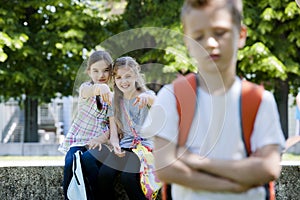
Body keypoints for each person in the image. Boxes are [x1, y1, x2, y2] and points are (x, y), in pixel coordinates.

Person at [141, 0, 286, 199]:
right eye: (199, 36)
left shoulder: (259, 100)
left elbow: (268, 168)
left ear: (241, 35)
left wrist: (194, 160)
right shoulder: (172, 96)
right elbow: (166, 168)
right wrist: (235, 183)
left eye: (220, 32)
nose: (210, 43)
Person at [81, 56, 156, 200]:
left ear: (136, 76)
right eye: (119, 77)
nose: (124, 81)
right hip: (124, 146)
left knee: (128, 178)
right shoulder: (114, 100)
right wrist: (115, 145)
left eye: (128, 76)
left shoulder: (146, 95)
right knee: (104, 175)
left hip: (144, 148)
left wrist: (148, 98)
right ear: (114, 79)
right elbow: (114, 132)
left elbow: (157, 102)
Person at [58, 50, 114, 200]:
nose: (100, 75)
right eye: (95, 71)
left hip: (100, 142)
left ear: (111, 72)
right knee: (70, 162)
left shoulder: (113, 96)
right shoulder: (85, 88)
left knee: (88, 162)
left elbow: (113, 126)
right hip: (80, 140)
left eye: (105, 71)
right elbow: (90, 90)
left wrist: (101, 139)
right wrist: (100, 88)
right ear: (89, 72)